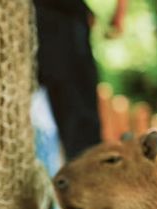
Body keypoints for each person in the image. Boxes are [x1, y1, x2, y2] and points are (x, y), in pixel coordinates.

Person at [34, 1, 128, 159]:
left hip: (62, 16)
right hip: (57, 18)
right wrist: (119, 14)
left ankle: (87, 169)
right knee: (78, 111)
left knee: (79, 115)